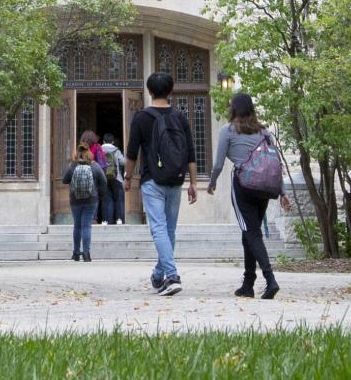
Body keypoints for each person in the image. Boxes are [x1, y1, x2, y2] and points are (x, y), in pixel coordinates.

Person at [207, 92, 290, 299]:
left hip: (243, 185)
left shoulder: (228, 131)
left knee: (252, 233)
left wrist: (212, 182)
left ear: (233, 109)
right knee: (249, 234)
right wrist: (282, 192)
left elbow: (218, 164)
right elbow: (275, 164)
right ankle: (248, 283)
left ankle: (270, 280)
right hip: (264, 188)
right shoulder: (264, 132)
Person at [124, 72, 197, 296]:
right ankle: (159, 274)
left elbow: (132, 153)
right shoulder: (180, 116)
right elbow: (191, 153)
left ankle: (172, 276)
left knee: (158, 229)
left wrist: (127, 178)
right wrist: (193, 182)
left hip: (152, 180)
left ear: (149, 91)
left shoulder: (141, 117)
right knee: (169, 230)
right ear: (171, 90)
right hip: (175, 180)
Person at [62, 143, 107, 261]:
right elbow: (104, 181)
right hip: (91, 200)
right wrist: (99, 195)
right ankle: (86, 254)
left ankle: (76, 253)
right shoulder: (95, 166)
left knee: (77, 226)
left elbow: (64, 180)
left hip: (75, 200)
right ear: (89, 154)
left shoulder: (73, 166)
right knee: (86, 226)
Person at [80, 129, 107, 224]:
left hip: (82, 173)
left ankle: (83, 217)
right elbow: (102, 163)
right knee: (94, 196)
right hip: (94, 174)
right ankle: (93, 218)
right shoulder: (97, 147)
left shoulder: (81, 148)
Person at [100, 132, 125, 225]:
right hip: (116, 177)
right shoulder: (116, 150)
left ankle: (105, 220)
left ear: (103, 141)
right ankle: (119, 219)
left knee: (106, 199)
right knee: (118, 198)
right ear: (113, 141)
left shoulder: (100, 150)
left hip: (103, 177)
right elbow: (123, 162)